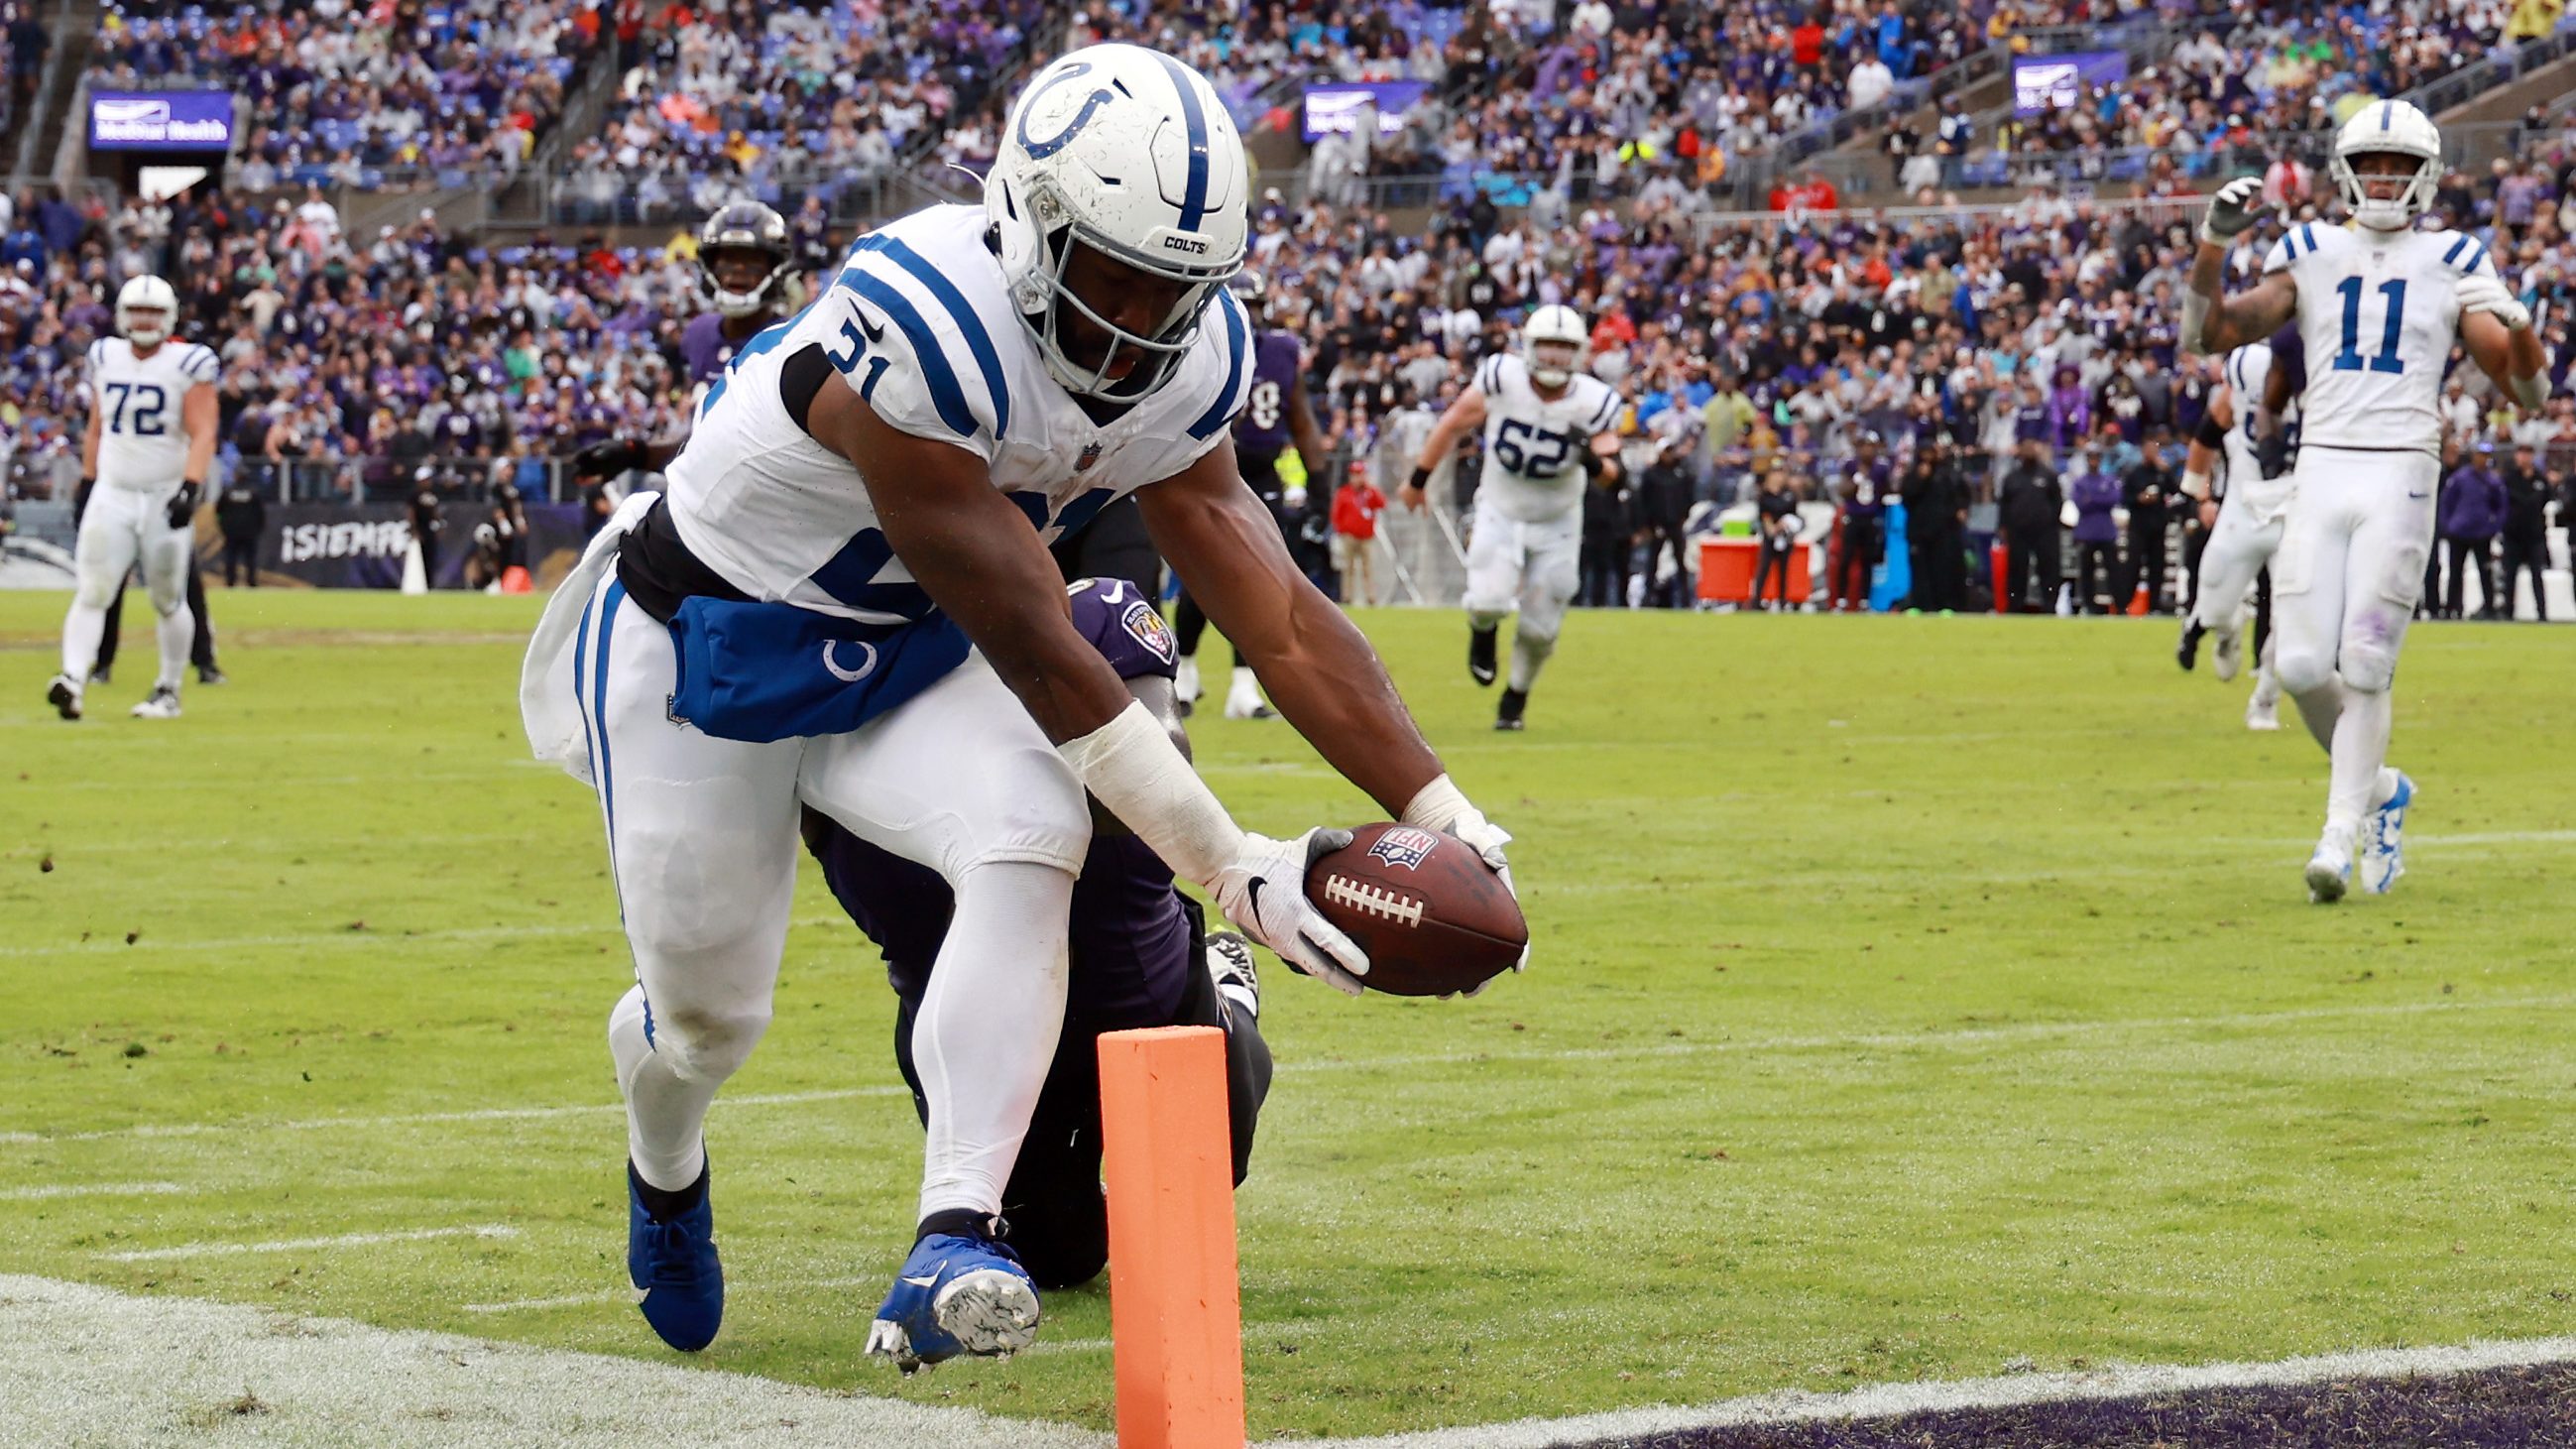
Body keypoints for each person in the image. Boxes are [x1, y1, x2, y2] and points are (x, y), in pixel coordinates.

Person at [516, 43, 1517, 1372]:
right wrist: (1233, 871)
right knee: (709, 1017)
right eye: (1114, 275)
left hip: (899, 659)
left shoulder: (1187, 358)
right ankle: (664, 1162)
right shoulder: (927, 313)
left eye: (1175, 289)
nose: (1139, 322)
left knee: (1029, 826)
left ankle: (955, 1231)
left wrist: (1447, 811)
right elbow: (1043, 652)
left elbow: (1272, 609)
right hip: (706, 645)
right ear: (1028, 221)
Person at [805, 576, 1272, 1293]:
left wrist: (1026, 781)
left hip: (1141, 990)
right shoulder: (829, 691)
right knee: (1059, 1259)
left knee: (1198, 1182)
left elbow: (1160, 766)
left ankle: (1225, 987)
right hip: (984, 1022)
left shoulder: (1086, 614)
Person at [2187, 99, 2549, 901]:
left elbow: (2527, 388)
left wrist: (2522, 329)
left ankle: (2338, 834)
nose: (2385, 177)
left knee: (2369, 661)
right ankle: (2383, 789)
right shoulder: (2310, 247)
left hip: (2402, 469)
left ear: (2425, 174)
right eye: (2373, 162)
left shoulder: (2455, 255)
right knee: (2305, 661)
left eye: (2400, 165)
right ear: (2347, 169)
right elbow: (2208, 335)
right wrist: (2213, 243)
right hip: (2323, 463)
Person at [1402, 304, 1622, 729]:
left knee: (1542, 627)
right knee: (1487, 600)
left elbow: (1614, 478)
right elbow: (1451, 425)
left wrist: (1590, 459)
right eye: (1548, 346)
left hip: (1558, 519)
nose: (1556, 356)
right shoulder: (1502, 379)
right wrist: (1417, 480)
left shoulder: (1595, 402)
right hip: (1501, 507)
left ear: (1579, 352)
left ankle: (1515, 698)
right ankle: (1482, 634)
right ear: (1529, 347)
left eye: (1565, 347)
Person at [48, 276, 218, 722]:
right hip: (114, 491)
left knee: (167, 598)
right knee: (93, 590)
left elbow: (204, 430)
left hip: (163, 495)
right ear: (123, 314)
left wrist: (189, 486)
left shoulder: (189, 363)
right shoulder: (106, 355)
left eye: (155, 312)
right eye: (138, 311)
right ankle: (73, 680)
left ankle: (169, 689)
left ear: (170, 317)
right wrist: (87, 482)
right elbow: (96, 427)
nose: (145, 320)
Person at [1172, 269, 1331, 719]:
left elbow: (1299, 416)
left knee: (1260, 578)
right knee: (1199, 578)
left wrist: (1319, 486)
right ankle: (1184, 673)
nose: (1249, 316)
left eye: (1256, 308)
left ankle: (1244, 687)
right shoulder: (1197, 348)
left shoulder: (1280, 351)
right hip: (1204, 471)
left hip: (1262, 476)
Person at [570, 202, 799, 484]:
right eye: (728, 258)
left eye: (752, 259)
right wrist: (635, 453)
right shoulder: (698, 333)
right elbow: (701, 448)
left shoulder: (793, 341)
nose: (738, 269)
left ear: (776, 268)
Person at [2177, 330, 2300, 731]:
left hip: (2298, 506)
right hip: (2245, 501)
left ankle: (2264, 699)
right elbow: (2212, 427)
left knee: (2293, 617)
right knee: (2211, 603)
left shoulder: (2330, 376)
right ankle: (2226, 628)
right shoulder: (2247, 368)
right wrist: (2197, 495)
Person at [2437, 442, 2505, 620]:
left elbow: (2501, 507)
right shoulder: (2461, 478)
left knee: (2485, 572)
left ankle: (2489, 607)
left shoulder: (2492, 481)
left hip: (2481, 533)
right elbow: (2447, 503)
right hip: (2459, 532)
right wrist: (2448, 525)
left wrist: (2493, 527)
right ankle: (2451, 607)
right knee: (2456, 572)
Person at [1997, 436, 2062, 613]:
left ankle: (2050, 605)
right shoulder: (2012, 478)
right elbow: (2004, 504)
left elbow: (2057, 502)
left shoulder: (2048, 475)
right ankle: (2014, 605)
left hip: (2044, 531)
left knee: (2048, 568)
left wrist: (2051, 521)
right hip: (2018, 531)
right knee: (2017, 568)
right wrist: (2003, 526)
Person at [1903, 440, 1970, 611]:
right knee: (1919, 570)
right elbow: (1907, 498)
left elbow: (1960, 495)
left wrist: (1960, 510)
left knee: (1942, 570)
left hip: (1943, 531)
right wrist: (1920, 479)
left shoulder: (1946, 475)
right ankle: (1920, 605)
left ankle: (1944, 605)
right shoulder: (1912, 475)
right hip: (1918, 530)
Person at [1828, 432, 1889, 612]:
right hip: (1853, 516)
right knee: (1846, 557)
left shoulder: (1880, 469)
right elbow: (1843, 491)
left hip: (1871, 517)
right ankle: (1840, 599)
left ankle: (1864, 600)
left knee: (1868, 559)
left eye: (1870, 446)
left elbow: (1885, 490)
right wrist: (1857, 479)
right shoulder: (1850, 466)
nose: (1867, 450)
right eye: (1864, 446)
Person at [2120, 432, 2178, 613]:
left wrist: (2166, 471)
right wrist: (2139, 499)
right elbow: (2125, 498)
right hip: (2138, 527)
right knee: (2132, 567)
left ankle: (2154, 606)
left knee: (2157, 568)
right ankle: (2125, 605)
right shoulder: (2134, 473)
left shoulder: (2162, 473)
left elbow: (2175, 491)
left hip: (2157, 527)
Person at [2499, 442, 2551, 620]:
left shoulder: (2539, 478)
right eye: (2521, 454)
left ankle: (2542, 612)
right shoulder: (2509, 478)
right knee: (2510, 575)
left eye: (2528, 454)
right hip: (2513, 534)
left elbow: (2546, 499)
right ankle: (2508, 612)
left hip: (2535, 534)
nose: (2524, 458)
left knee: (2537, 574)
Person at [2067, 450, 2121, 613]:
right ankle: (2088, 605)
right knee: (2086, 571)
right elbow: (2080, 504)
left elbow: (2113, 499)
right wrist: (2100, 498)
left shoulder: (2108, 480)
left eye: (2097, 457)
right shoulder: (2080, 481)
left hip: (2106, 531)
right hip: (2086, 532)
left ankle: (2118, 604)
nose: (2094, 461)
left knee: (2114, 570)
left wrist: (2092, 498)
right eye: (2091, 457)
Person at [1579, 461, 1636, 608]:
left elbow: (1621, 475)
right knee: (1582, 568)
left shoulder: (1613, 484)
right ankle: (1577, 601)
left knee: (1602, 568)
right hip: (1587, 526)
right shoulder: (1585, 479)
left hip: (1607, 527)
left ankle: (1599, 602)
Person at [1329, 459, 1384, 606]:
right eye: (1354, 474)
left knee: (1368, 568)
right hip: (1349, 535)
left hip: (1366, 536)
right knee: (1348, 567)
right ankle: (1347, 596)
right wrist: (1340, 530)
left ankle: (1370, 596)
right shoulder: (1344, 493)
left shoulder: (1369, 492)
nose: (1357, 478)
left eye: (1360, 474)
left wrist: (1371, 488)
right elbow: (1336, 514)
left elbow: (1381, 503)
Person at [1750, 467, 1802, 611]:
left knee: (1784, 570)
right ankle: (1756, 601)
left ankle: (1782, 601)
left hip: (1786, 536)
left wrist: (1785, 525)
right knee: (1764, 568)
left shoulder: (1789, 495)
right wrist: (1773, 528)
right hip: (1770, 536)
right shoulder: (1765, 495)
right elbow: (1764, 516)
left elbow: (1794, 515)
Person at [216, 472, 265, 586]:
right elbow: (260, 512)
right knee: (250, 558)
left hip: (231, 531)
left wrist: (223, 525)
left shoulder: (228, 491)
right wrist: (259, 528)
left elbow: (219, 510)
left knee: (231, 557)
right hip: (250, 531)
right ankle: (251, 581)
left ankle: (230, 581)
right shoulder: (254, 492)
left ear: (235, 477)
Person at [408, 472, 443, 584]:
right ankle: (419, 582)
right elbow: (411, 513)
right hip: (420, 527)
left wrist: (439, 524)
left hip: (429, 528)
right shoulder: (415, 494)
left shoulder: (433, 494)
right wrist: (414, 529)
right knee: (419, 557)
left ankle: (429, 582)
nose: (429, 482)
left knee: (430, 557)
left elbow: (435, 512)